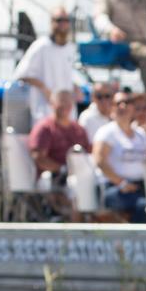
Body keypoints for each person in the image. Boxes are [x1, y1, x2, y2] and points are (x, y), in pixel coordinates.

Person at [28, 88, 91, 218]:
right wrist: (62, 169)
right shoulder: (45, 128)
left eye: (68, 103)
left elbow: (88, 153)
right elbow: (39, 158)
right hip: (54, 178)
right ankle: (75, 231)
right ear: (52, 104)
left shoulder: (78, 129)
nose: (65, 107)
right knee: (74, 192)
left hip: (79, 176)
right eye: (61, 103)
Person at [91, 90, 146, 223]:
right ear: (112, 107)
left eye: (127, 102)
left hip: (140, 186)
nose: (123, 106)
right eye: (118, 103)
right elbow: (100, 161)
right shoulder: (106, 132)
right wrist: (122, 183)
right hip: (114, 187)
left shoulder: (141, 134)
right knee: (143, 206)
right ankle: (138, 242)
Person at [13, 7, 79, 126]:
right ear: (52, 22)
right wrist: (45, 88)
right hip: (45, 111)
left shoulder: (71, 48)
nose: (63, 24)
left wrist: (75, 87)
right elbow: (21, 74)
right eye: (59, 20)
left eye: (66, 20)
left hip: (67, 112)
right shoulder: (41, 46)